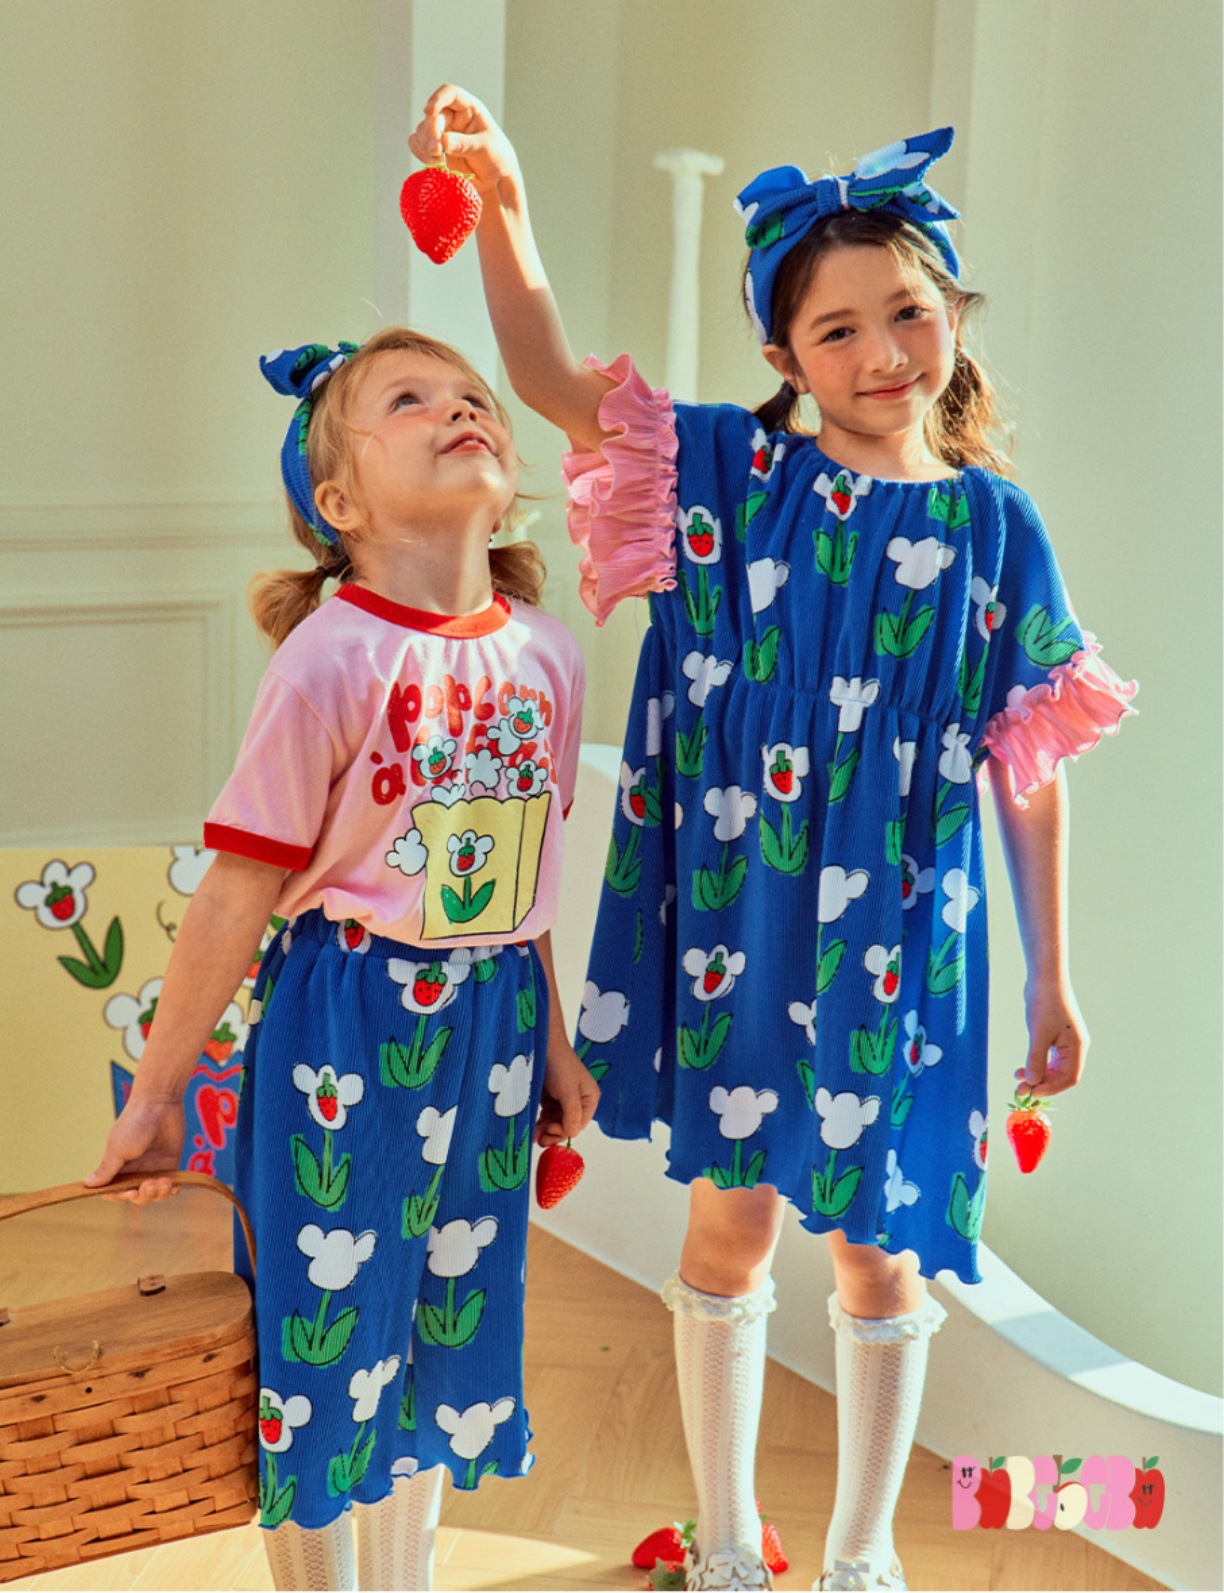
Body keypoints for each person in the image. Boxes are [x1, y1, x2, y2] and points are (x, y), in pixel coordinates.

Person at [408, 89, 1139, 1593]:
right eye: (838, 331)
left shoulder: (999, 531)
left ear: (954, 316)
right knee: (730, 1224)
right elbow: (544, 373)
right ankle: (732, 1544)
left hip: (903, 940)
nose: (884, 355)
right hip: (743, 920)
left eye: (910, 313)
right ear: (785, 359)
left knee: (880, 1248)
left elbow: (1028, 772)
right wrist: (504, 194)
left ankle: (864, 1555)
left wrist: (1051, 974)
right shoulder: (729, 481)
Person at [85, 326, 596, 1592]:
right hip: (347, 1028)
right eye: (410, 400)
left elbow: (523, 879)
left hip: (488, 1028)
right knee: (323, 1341)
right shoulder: (333, 656)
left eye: (473, 396)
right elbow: (238, 889)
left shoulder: (547, 655)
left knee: (442, 1318)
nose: (460, 409)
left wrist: (553, 1039)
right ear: (339, 503)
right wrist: (157, 1096)